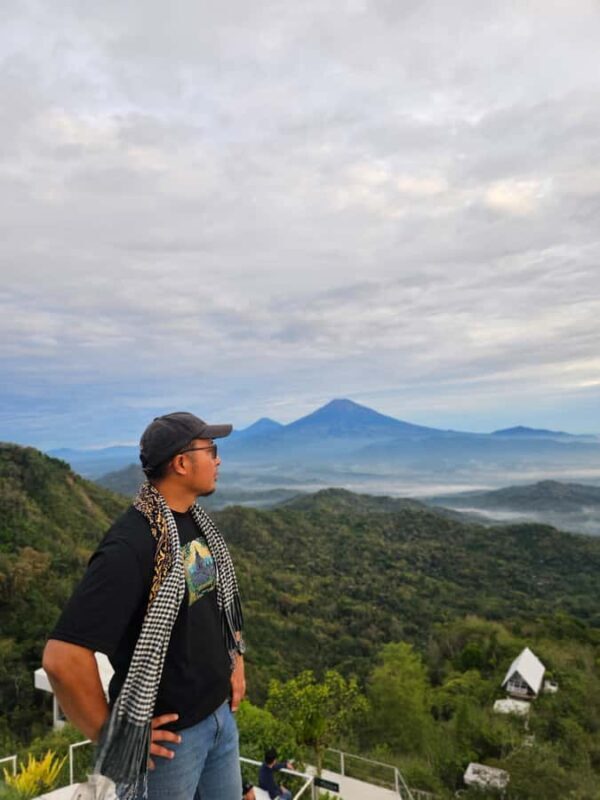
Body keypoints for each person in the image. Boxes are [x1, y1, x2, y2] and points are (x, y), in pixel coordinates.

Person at [42, 412, 246, 800]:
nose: (218, 460)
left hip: (220, 721)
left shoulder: (194, 521)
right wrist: (114, 737)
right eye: (211, 450)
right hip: (170, 746)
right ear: (182, 463)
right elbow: (62, 658)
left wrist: (236, 660)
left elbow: (219, 605)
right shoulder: (130, 545)